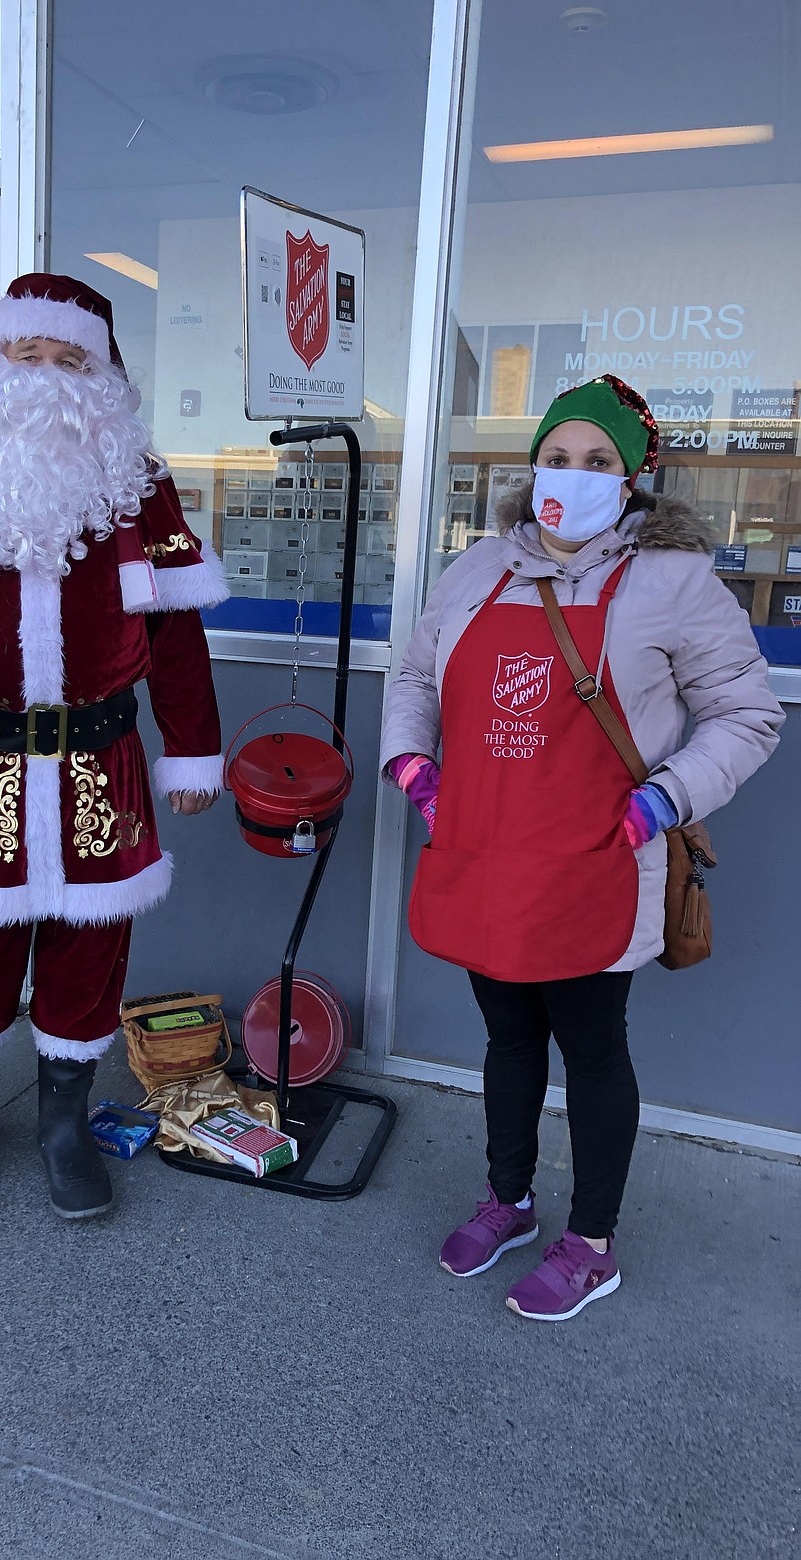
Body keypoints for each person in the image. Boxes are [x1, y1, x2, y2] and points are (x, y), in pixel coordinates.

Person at [380, 375, 783, 1321]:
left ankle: (591, 1242)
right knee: (508, 1037)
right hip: (482, 853)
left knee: (593, 1052)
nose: (574, 475)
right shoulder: (475, 569)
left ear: (634, 479)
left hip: (595, 866)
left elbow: (749, 715)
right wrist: (413, 767)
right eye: (558, 458)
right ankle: (509, 1201)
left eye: (598, 462)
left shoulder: (675, 581)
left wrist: (664, 801)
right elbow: (414, 674)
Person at [0, 273, 227, 1218]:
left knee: (90, 947)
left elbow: (179, 636)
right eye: (26, 354)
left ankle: (66, 1122)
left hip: (102, 762)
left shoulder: (137, 485)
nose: (43, 376)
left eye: (69, 360)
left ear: (101, 381)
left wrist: (192, 749)